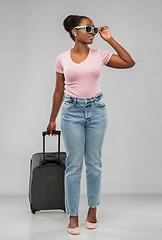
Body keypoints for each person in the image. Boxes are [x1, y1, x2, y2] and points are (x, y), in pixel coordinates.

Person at [47, 14, 135, 235]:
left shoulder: (101, 55)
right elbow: (59, 90)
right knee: (74, 166)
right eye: (88, 29)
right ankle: (73, 215)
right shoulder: (62, 59)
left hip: (97, 111)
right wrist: (52, 119)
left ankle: (92, 211)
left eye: (94, 29)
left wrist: (110, 39)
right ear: (74, 32)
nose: (92, 32)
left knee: (94, 164)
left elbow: (128, 62)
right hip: (71, 113)